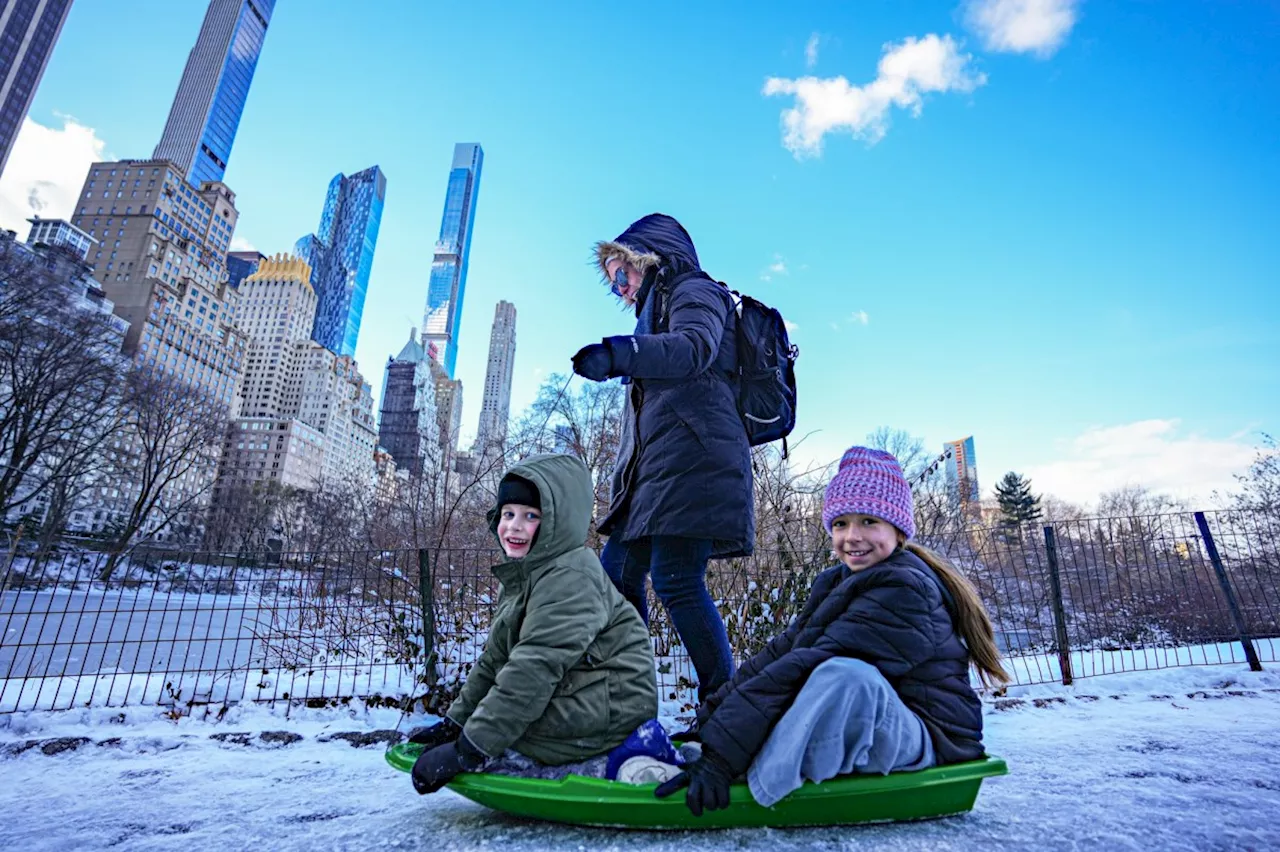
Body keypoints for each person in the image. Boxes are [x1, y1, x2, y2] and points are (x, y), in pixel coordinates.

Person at [655, 446, 1010, 815]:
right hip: (886, 730)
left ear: (897, 527)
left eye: (869, 521)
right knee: (821, 672)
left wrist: (723, 758)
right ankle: (732, 758)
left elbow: (811, 665)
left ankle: (753, 785)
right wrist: (707, 726)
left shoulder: (906, 589)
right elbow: (781, 654)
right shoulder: (840, 581)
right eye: (841, 523)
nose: (852, 536)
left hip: (932, 741)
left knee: (845, 677)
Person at [570, 213, 753, 702]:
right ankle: (628, 698)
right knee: (617, 577)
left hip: (697, 465)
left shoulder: (696, 291)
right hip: (659, 475)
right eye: (613, 284)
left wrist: (619, 354)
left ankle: (723, 706)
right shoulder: (655, 314)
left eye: (623, 274)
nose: (622, 289)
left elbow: (694, 348)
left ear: (648, 257)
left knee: (676, 580)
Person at [408, 453, 662, 795]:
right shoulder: (527, 574)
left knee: (514, 732)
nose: (513, 525)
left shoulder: (571, 577)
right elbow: (496, 660)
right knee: (507, 723)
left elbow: (534, 668)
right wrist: (455, 724)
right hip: (581, 694)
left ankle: (618, 764)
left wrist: (470, 750)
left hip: (610, 712)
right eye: (508, 513)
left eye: (530, 516)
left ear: (558, 523)